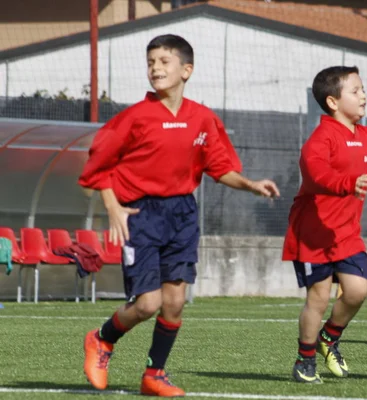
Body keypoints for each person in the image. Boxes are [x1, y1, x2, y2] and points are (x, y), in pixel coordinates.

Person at [79, 34, 279, 397]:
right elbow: (97, 163)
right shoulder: (134, 117)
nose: (155, 68)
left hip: (183, 213)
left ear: (187, 70)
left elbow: (219, 168)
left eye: (164, 61)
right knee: (147, 304)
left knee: (174, 302)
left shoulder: (202, 118)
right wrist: (112, 206)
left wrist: (251, 185)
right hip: (140, 214)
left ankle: (154, 374)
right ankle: (101, 339)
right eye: (151, 61)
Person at [282, 65, 367, 384]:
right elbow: (315, 172)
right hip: (312, 233)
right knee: (317, 298)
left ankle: (328, 338)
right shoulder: (321, 138)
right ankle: (304, 361)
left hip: (345, 234)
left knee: (357, 291)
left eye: (363, 89)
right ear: (333, 101)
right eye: (355, 90)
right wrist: (347, 183)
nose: (363, 95)